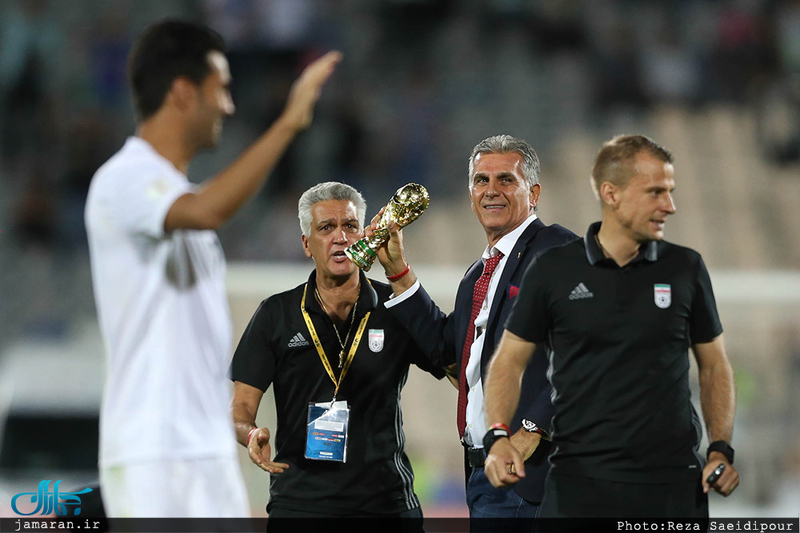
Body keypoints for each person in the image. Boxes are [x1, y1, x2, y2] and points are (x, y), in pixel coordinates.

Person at [85, 19, 340, 517]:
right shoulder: (125, 178)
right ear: (183, 92)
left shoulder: (173, 194)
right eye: (221, 89)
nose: (228, 105)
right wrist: (288, 123)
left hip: (204, 451)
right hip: (152, 453)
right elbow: (206, 209)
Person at [483, 135, 740, 522]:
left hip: (670, 485)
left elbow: (715, 365)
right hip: (578, 485)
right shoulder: (555, 270)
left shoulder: (685, 268)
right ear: (611, 193)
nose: (669, 206)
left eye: (669, 191)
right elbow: (508, 362)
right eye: (655, 192)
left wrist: (720, 448)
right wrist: (499, 436)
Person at [373, 134, 577, 528]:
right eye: (481, 181)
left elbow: (590, 348)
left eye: (505, 180)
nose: (491, 191)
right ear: (470, 194)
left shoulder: (557, 249)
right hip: (485, 469)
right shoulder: (478, 274)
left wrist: (533, 429)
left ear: (533, 193)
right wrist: (398, 271)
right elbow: (447, 353)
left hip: (530, 468)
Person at [229, 182, 447, 527]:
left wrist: (401, 275)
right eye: (327, 228)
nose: (341, 237)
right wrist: (250, 433)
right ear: (306, 244)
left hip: (387, 504)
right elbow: (240, 408)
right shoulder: (276, 314)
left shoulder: (397, 305)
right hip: (302, 506)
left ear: (364, 234)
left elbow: (452, 365)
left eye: (349, 226)